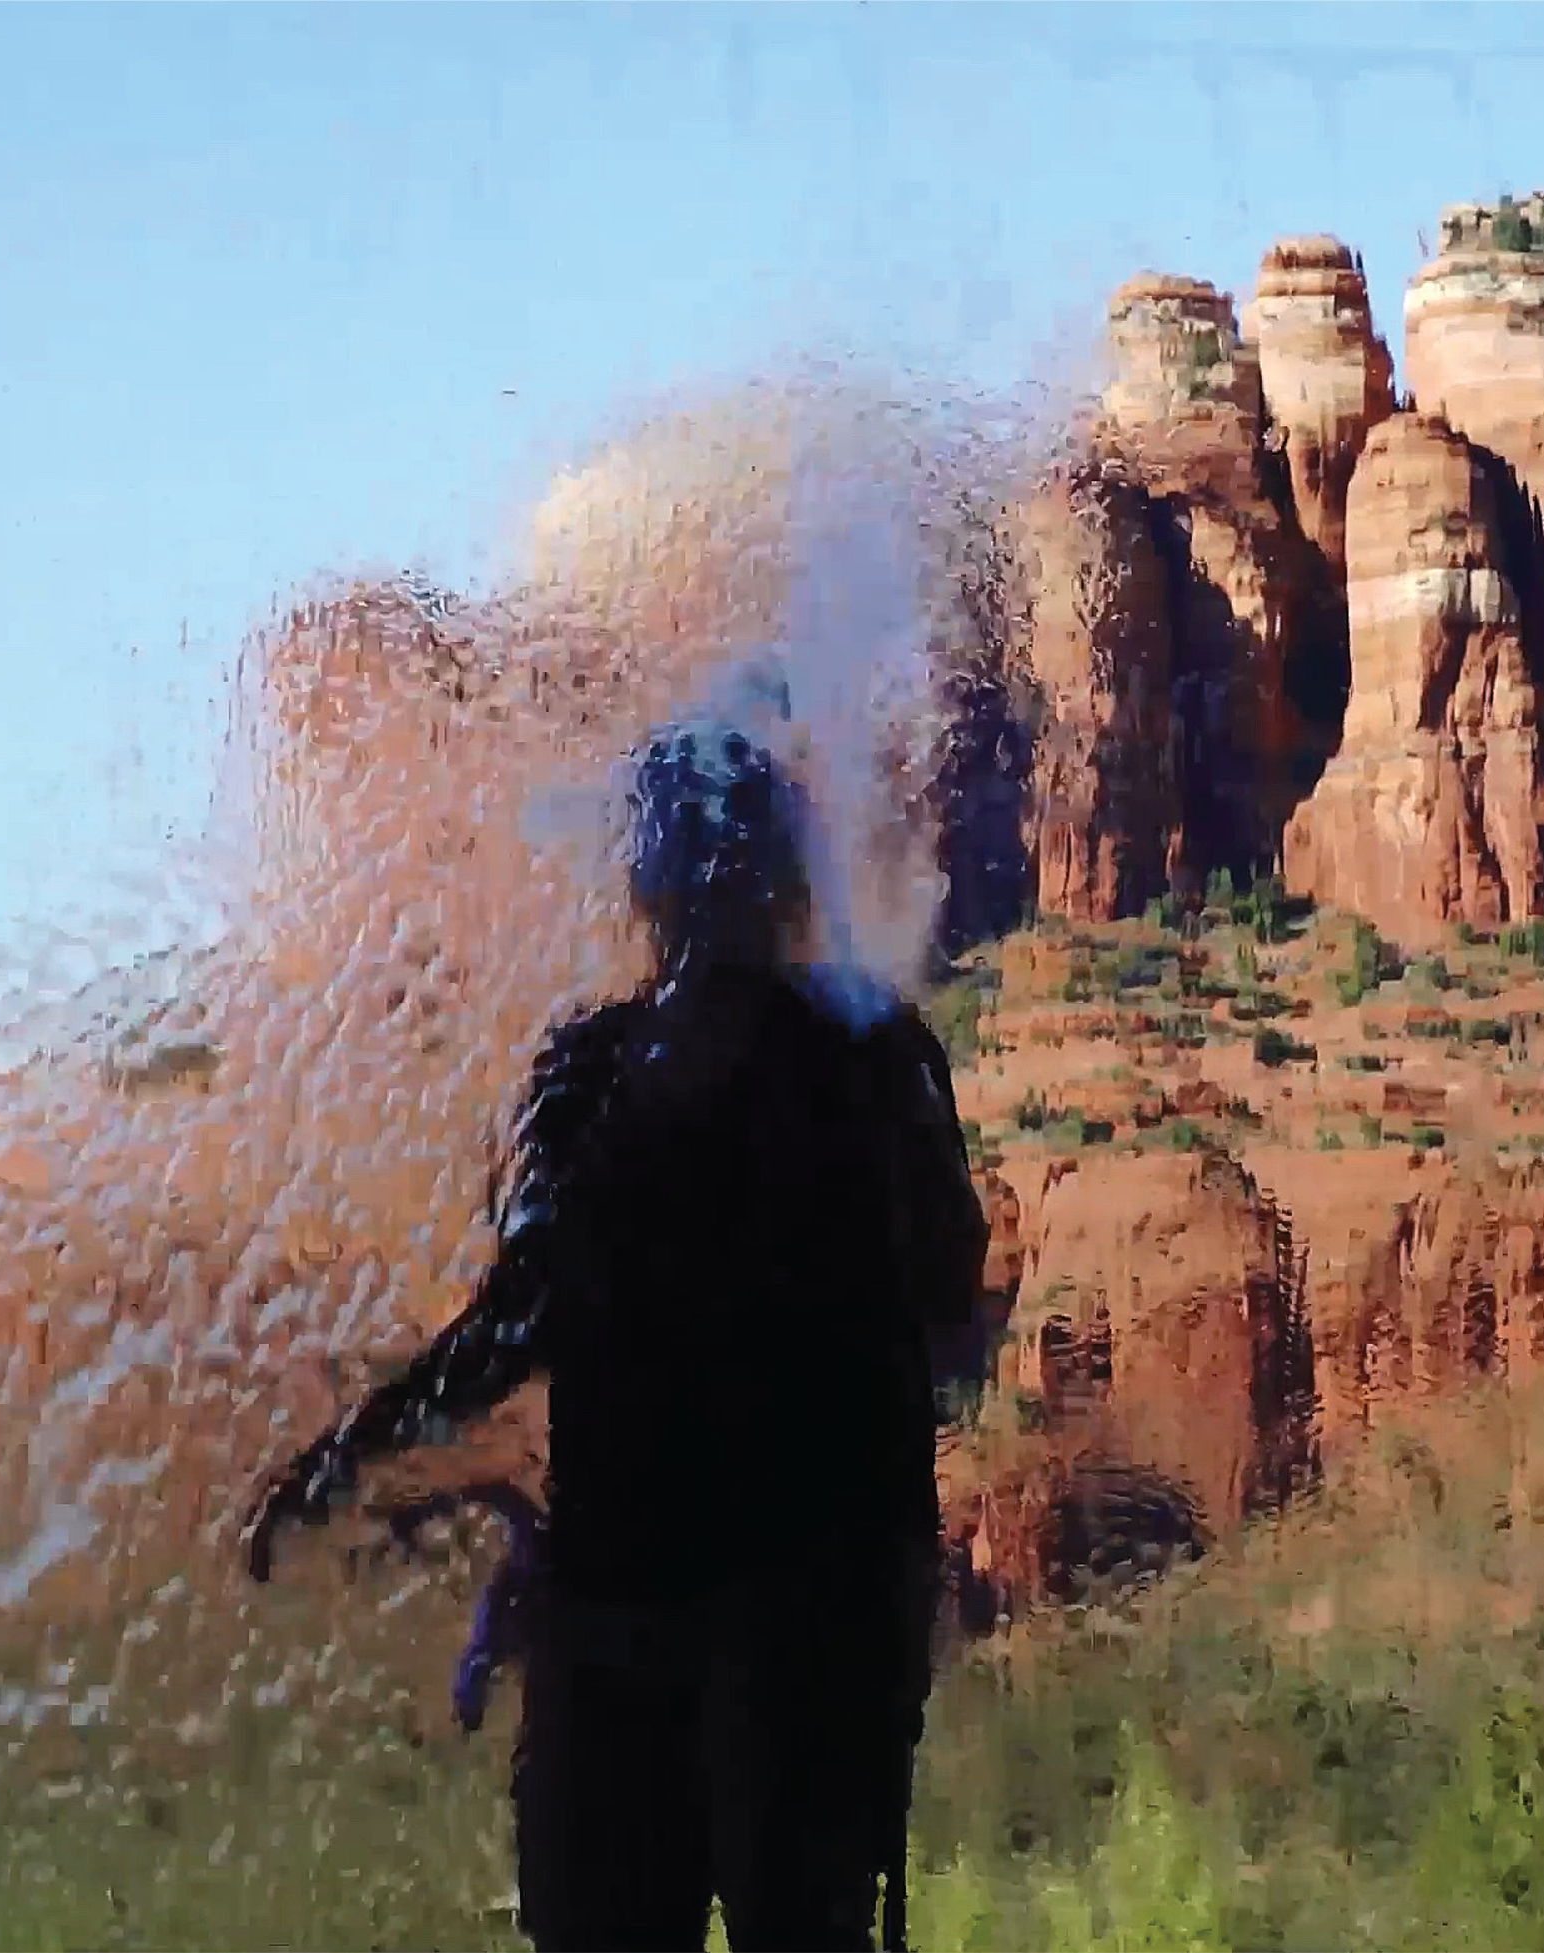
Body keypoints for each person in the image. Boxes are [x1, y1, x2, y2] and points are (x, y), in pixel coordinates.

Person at [241, 712, 994, 1953]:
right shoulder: (872, 1052)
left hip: (643, 1627)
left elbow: (518, 1318)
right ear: (788, 873)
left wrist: (353, 1453)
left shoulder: (601, 1066)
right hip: (809, 1635)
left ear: (645, 880)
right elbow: (950, 1300)